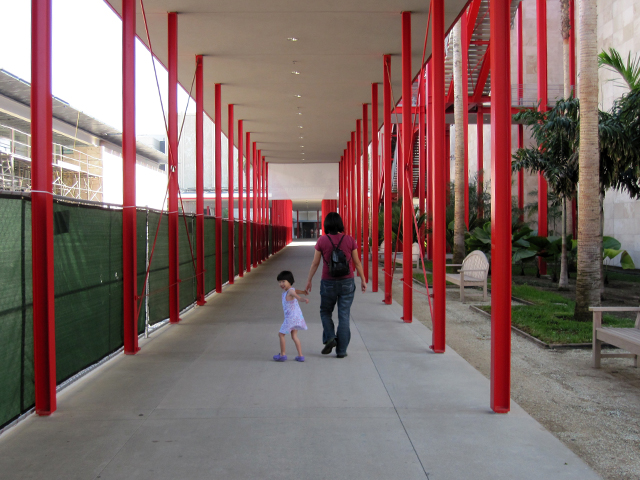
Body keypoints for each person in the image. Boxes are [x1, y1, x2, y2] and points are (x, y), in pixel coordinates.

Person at [305, 212, 366, 358]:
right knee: (344, 315)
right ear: (340, 224)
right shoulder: (350, 240)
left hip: (328, 282)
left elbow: (315, 263)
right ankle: (341, 351)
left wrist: (309, 280)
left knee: (325, 312)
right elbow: (357, 262)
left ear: (326, 225)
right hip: (347, 281)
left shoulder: (322, 240)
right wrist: (363, 279)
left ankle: (331, 337)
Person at [274, 271, 309, 362]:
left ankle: (282, 355)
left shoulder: (290, 292)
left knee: (281, 334)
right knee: (294, 336)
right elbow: (295, 291)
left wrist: (303, 299)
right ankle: (300, 356)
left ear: (290, 281)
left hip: (290, 318)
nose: (281, 284)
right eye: (279, 282)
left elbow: (296, 296)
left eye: (283, 281)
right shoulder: (289, 290)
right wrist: (303, 292)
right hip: (297, 318)